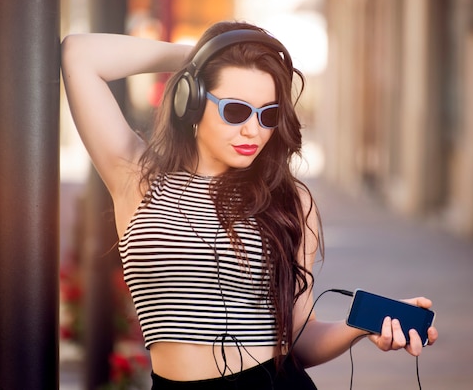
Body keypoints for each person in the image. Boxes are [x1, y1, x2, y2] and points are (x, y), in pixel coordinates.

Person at [61, 20, 438, 390]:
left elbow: (300, 341)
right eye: (236, 111)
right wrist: (205, 57)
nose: (253, 130)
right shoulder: (136, 178)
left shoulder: (290, 202)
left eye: (267, 114)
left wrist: (359, 328)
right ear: (190, 102)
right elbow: (80, 54)